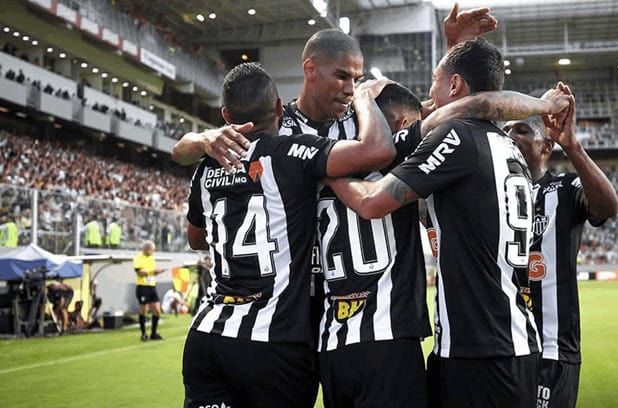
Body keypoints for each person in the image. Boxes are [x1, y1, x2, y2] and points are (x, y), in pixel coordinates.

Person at [172, 21, 569, 408]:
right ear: (310, 70)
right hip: (316, 327)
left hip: (332, 332)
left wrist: (457, 50)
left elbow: (459, 106)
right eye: (343, 77)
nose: (351, 88)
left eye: (357, 80)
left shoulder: (304, 138)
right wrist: (201, 138)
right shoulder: (357, 134)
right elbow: (469, 106)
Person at [325, 38, 546, 408]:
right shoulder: (507, 146)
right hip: (509, 341)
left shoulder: (457, 135)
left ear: (455, 85)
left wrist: (327, 169)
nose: (429, 93)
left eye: (434, 81)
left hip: (480, 352)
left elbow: (372, 202)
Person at [182, 62, 395, 408]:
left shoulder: (204, 169)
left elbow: (196, 238)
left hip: (207, 336)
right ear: (280, 109)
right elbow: (377, 149)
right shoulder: (289, 154)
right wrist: (364, 96)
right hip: (272, 341)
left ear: (226, 115)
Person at [503, 85, 618, 408]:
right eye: (506, 129)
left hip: (551, 350)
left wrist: (572, 146)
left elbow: (608, 206)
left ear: (546, 146)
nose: (510, 136)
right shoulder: (491, 195)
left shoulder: (564, 188)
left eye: (521, 130)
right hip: (503, 348)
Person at [133, 241, 165, 341]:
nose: (153, 252)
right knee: (144, 310)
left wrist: (158, 272)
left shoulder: (152, 258)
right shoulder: (138, 258)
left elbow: (151, 272)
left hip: (152, 286)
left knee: (157, 310)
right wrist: (152, 271)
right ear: (147, 249)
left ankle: (153, 333)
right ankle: (143, 334)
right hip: (142, 287)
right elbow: (139, 272)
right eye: (152, 250)